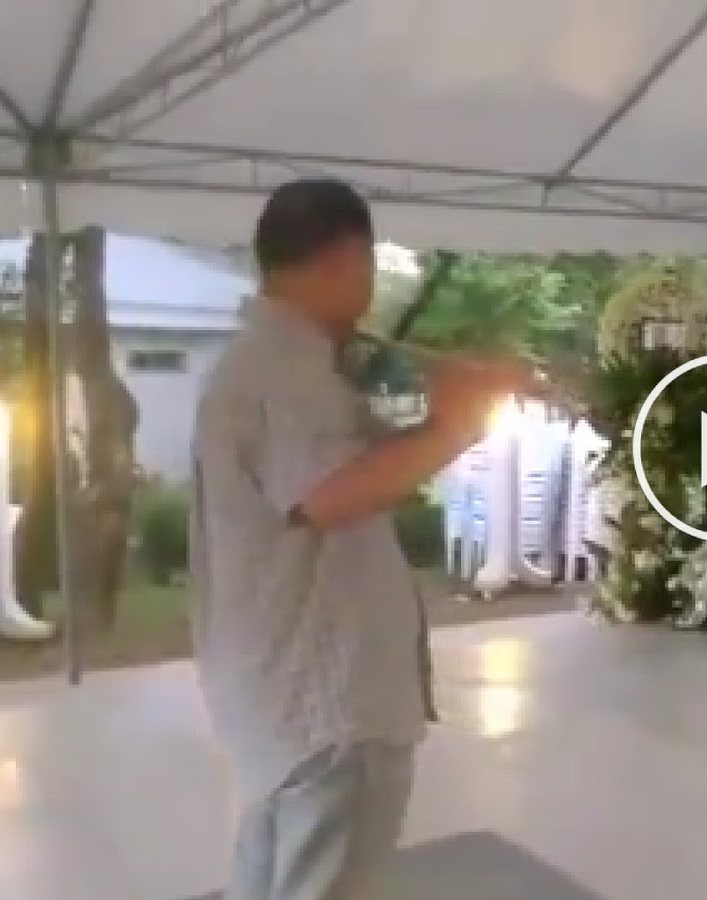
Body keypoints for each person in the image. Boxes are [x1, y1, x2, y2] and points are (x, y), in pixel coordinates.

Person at [189, 178, 527, 900]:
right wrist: (456, 427)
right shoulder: (282, 368)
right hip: (325, 702)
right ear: (347, 258)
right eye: (367, 266)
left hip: (288, 698)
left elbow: (359, 466)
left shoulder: (282, 362)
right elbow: (330, 495)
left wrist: (443, 415)